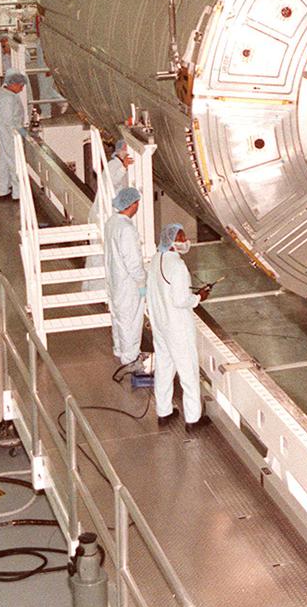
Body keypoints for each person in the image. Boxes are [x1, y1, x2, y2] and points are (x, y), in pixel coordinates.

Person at [146, 223, 212, 430]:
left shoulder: (156, 259)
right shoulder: (178, 266)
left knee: (164, 368)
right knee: (188, 371)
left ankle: (163, 412)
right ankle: (193, 419)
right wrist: (199, 297)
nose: (186, 241)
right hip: (178, 327)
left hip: (161, 324)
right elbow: (180, 299)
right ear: (172, 241)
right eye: (182, 238)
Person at [104, 187, 148, 371]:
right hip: (128, 284)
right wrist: (143, 282)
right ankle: (130, 359)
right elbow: (133, 262)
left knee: (118, 319)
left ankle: (120, 351)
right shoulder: (127, 229)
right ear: (133, 204)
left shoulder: (111, 222)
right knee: (130, 323)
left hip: (115, 281)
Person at [82, 141, 135, 292]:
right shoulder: (113, 165)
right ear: (122, 149)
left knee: (98, 256)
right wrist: (124, 168)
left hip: (104, 215)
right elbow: (112, 182)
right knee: (99, 256)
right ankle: (96, 289)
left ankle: (91, 288)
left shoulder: (115, 165)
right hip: (103, 216)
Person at [0, 70, 27, 201]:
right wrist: (20, 131)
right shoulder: (7, 98)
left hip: (4, 133)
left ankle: (3, 190)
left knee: (4, 161)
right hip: (9, 135)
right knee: (14, 163)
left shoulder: (5, 93)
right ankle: (18, 193)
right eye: (21, 86)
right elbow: (8, 121)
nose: (22, 89)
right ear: (13, 84)